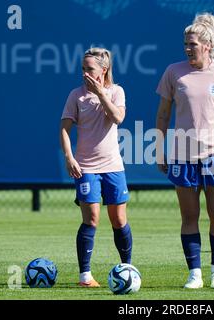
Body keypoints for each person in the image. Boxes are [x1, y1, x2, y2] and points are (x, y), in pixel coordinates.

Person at [155, 13, 214, 289]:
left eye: (192, 44)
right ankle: (194, 274)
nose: (187, 48)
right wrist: (160, 150)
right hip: (182, 154)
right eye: (185, 43)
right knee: (189, 216)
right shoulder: (174, 72)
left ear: (207, 45)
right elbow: (162, 116)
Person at [60, 47, 132, 288]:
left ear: (104, 70)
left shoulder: (116, 91)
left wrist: (101, 94)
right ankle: (85, 277)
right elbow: (63, 129)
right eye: (82, 69)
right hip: (85, 167)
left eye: (89, 69)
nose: (84, 73)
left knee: (119, 220)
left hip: (113, 166)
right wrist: (70, 157)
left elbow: (118, 118)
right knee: (91, 219)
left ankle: (128, 269)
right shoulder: (75, 96)